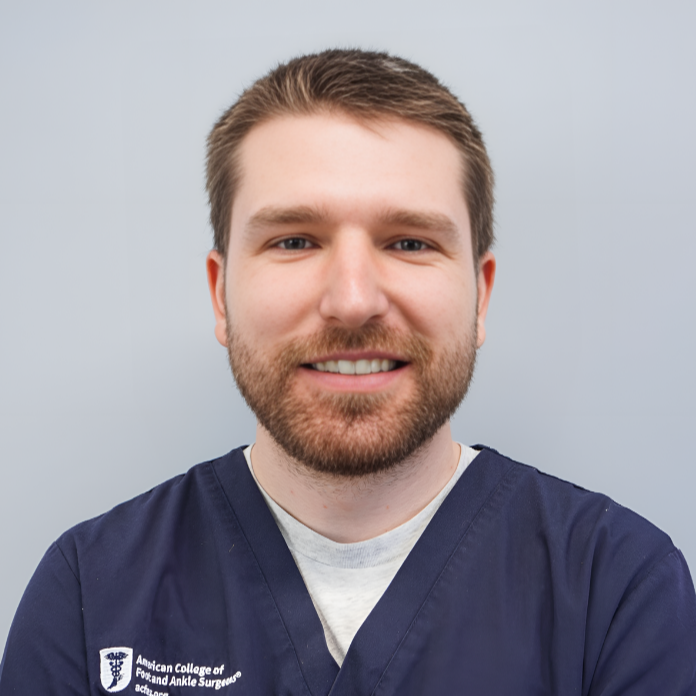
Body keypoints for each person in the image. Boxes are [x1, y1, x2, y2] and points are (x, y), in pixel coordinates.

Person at [1, 49, 695, 696]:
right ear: (221, 295)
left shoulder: (617, 590)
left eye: (410, 242)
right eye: (294, 240)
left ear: (480, 296)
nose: (353, 300)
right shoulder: (89, 594)